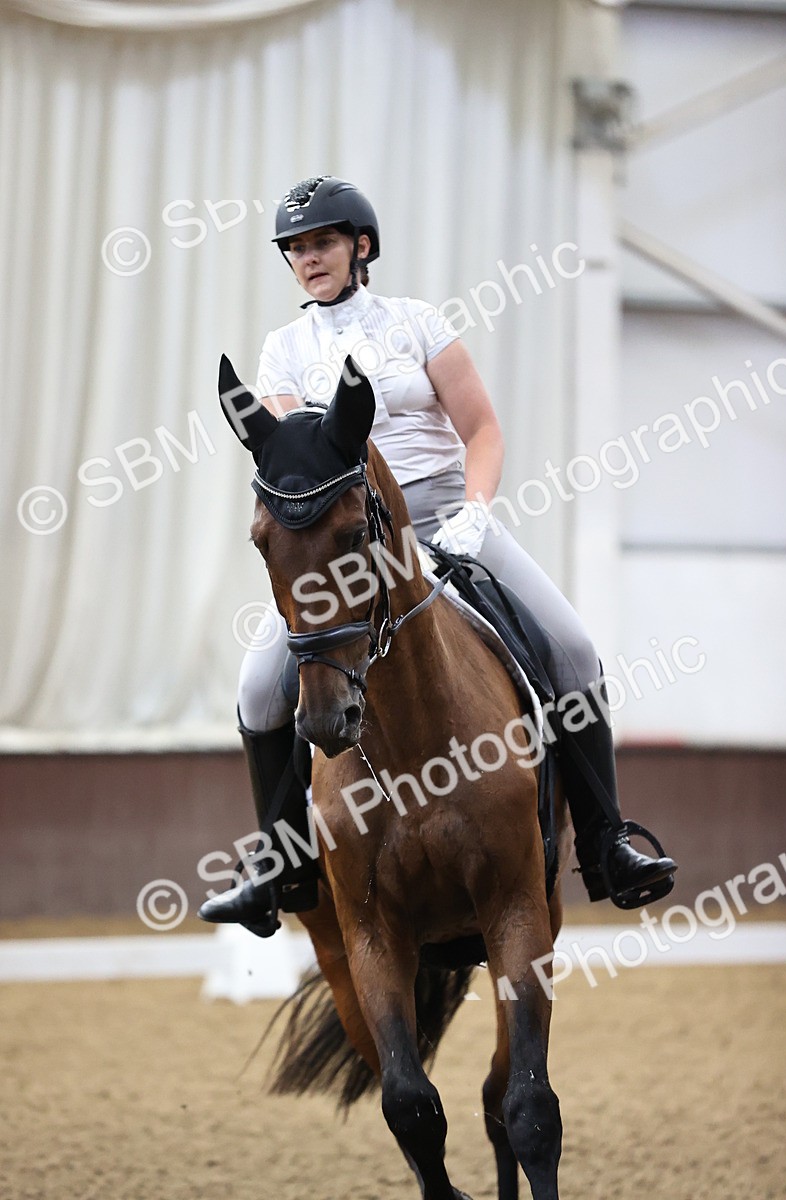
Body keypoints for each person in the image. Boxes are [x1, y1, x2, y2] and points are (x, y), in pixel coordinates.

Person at [200, 176, 676, 935]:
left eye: (322, 242)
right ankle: (274, 866)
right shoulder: (283, 349)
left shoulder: (418, 323)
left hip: (448, 516)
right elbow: (299, 458)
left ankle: (606, 842)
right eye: (296, 248)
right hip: (352, 541)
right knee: (259, 689)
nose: (308, 258)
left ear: (360, 246)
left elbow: (482, 430)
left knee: (574, 651)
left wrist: (475, 514)